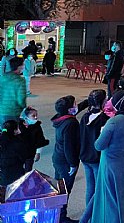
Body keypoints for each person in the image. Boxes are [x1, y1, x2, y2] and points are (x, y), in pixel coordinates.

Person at [88, 90, 124, 223]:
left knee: (112, 199)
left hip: (113, 164)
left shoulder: (114, 122)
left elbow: (99, 145)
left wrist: (102, 132)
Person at [52, 95, 87, 223]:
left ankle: (56, 213)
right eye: (74, 104)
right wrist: (73, 164)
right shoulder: (71, 123)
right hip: (66, 160)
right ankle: (61, 216)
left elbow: (76, 109)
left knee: (58, 187)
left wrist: (88, 102)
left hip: (57, 157)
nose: (76, 106)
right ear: (69, 109)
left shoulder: (60, 118)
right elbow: (69, 147)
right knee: (65, 189)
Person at [79, 90, 110, 207]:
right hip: (97, 157)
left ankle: (89, 211)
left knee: (90, 186)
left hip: (85, 156)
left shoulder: (85, 117)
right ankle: (97, 212)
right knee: (99, 186)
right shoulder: (104, 119)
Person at [19, 106, 49, 172]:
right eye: (33, 116)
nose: (36, 117)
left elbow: (40, 140)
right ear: (26, 117)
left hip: (30, 153)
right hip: (19, 153)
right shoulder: (19, 126)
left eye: (36, 115)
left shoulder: (37, 127)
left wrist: (38, 153)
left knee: (28, 171)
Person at [0, 120, 29, 186]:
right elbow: (24, 156)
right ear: (14, 130)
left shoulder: (2, 141)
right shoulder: (18, 142)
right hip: (16, 174)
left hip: (3, 176)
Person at [0, 57, 27, 126]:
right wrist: (24, 107)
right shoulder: (20, 81)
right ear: (19, 67)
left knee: (3, 132)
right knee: (12, 132)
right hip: (13, 111)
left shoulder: (3, 77)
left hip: (1, 110)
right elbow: (21, 99)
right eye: (23, 65)